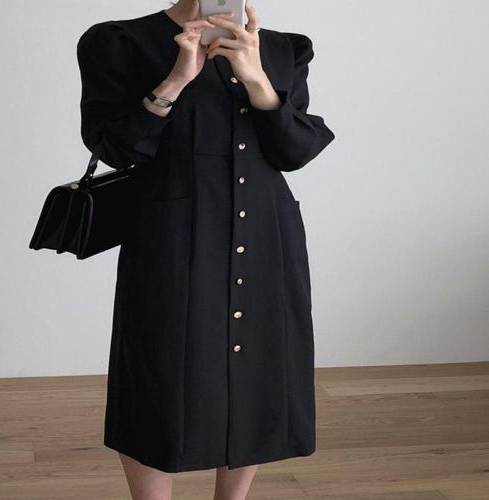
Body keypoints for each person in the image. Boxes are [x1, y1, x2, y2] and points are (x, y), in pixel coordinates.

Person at [77, 0, 335, 498]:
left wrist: (257, 79)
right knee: (158, 371)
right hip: (170, 233)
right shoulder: (118, 42)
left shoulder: (283, 49)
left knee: (257, 368)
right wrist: (177, 78)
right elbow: (113, 146)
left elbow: (295, 151)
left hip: (265, 232)